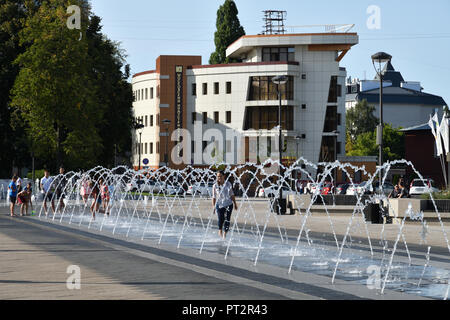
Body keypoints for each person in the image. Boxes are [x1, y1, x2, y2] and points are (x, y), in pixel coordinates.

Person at [212, 171, 238, 239]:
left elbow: (231, 194)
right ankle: (220, 231)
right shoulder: (215, 185)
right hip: (219, 205)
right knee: (221, 219)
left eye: (220, 176)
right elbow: (214, 197)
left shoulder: (228, 184)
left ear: (224, 176)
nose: (219, 177)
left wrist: (235, 203)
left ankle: (224, 234)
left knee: (227, 220)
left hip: (229, 204)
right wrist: (213, 207)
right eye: (218, 176)